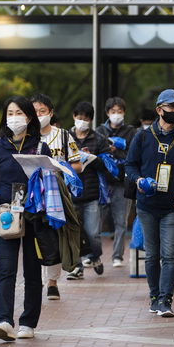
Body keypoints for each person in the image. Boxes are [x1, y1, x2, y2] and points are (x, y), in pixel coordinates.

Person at [0, 96, 52, 341]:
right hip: (7, 214)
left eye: (18, 113)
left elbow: (50, 185)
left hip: (34, 216)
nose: (13, 118)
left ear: (29, 117)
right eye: (9, 113)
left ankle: (28, 323)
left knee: (32, 272)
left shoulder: (40, 148)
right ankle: (4, 321)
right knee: (6, 270)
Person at [125, 89, 174, 318]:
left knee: (170, 255)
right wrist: (138, 180)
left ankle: (166, 301)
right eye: (171, 107)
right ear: (159, 110)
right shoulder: (143, 137)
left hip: (173, 207)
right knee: (151, 255)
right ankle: (154, 296)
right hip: (146, 205)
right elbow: (130, 165)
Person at [31, 93, 82, 300]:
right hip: (33, 197)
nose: (38, 115)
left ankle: (52, 282)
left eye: (42, 111)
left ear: (51, 113)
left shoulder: (62, 136)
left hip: (57, 195)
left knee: (55, 237)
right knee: (35, 238)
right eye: (34, 112)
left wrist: (58, 167)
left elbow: (77, 165)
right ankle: (35, 279)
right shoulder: (26, 137)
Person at [66, 101, 112, 279]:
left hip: (92, 194)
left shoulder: (99, 138)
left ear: (91, 120)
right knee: (73, 232)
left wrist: (92, 159)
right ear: (73, 117)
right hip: (71, 193)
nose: (82, 121)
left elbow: (108, 165)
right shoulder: (65, 137)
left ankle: (94, 255)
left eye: (86, 118)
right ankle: (77, 267)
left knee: (93, 234)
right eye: (79, 117)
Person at [95, 97, 137, 268]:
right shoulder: (99, 131)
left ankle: (117, 256)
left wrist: (117, 150)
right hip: (102, 182)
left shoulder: (131, 131)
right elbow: (94, 153)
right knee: (96, 221)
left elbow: (134, 156)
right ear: (107, 113)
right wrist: (107, 149)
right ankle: (93, 255)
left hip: (122, 181)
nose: (116, 114)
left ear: (124, 112)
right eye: (113, 111)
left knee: (121, 221)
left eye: (119, 111)